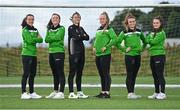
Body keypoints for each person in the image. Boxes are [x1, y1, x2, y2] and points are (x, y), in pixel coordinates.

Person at [116, 13, 146, 99]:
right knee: (130, 74)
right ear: (127, 23)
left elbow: (145, 41)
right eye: (130, 22)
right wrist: (124, 49)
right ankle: (130, 93)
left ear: (135, 22)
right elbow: (117, 43)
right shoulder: (124, 33)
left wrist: (142, 48)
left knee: (135, 75)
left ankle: (133, 93)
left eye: (133, 21)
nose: (132, 23)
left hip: (138, 55)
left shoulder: (139, 32)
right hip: (129, 56)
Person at [93, 12, 116, 98]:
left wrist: (107, 47)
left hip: (105, 54)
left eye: (103, 18)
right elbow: (96, 40)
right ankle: (103, 92)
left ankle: (107, 92)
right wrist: (94, 46)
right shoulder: (98, 29)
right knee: (101, 74)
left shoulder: (110, 29)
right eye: (100, 18)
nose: (101, 20)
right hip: (98, 54)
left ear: (107, 20)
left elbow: (114, 39)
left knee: (106, 73)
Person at [21, 14, 43, 99]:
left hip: (34, 54)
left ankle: (32, 92)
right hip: (26, 54)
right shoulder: (25, 30)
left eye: (32, 19)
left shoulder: (35, 29)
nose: (31, 20)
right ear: (26, 20)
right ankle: (23, 93)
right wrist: (35, 39)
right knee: (26, 74)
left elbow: (41, 39)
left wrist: (34, 39)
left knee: (32, 74)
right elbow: (29, 41)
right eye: (29, 19)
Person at [68, 12, 89, 99]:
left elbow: (87, 37)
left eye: (78, 17)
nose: (77, 18)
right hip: (74, 53)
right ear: (72, 19)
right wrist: (82, 35)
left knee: (79, 73)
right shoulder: (71, 28)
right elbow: (76, 37)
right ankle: (71, 92)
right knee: (72, 73)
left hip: (81, 53)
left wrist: (82, 35)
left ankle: (79, 92)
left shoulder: (81, 28)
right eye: (75, 17)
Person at [45, 13, 66, 99]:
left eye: (56, 18)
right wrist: (53, 38)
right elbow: (46, 39)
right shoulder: (49, 29)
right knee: (54, 73)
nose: (55, 19)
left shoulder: (62, 28)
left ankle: (61, 92)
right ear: (51, 19)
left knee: (60, 72)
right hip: (51, 52)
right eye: (53, 18)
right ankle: (55, 91)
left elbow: (58, 37)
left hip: (59, 52)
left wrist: (52, 38)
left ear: (59, 20)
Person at [146, 16, 167, 100]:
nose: (155, 24)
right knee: (154, 75)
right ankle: (157, 92)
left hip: (159, 55)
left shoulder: (162, 33)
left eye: (157, 23)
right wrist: (149, 39)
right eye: (154, 23)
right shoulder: (151, 33)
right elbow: (147, 39)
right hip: (152, 55)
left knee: (159, 74)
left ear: (160, 23)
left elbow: (153, 41)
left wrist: (149, 40)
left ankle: (163, 93)